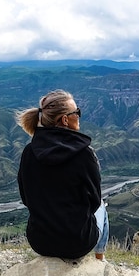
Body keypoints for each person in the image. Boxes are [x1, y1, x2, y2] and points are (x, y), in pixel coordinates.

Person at [16, 89, 109, 261]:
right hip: (78, 243)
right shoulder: (84, 154)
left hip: (40, 242)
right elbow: (94, 201)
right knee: (102, 205)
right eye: (77, 112)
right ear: (65, 119)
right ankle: (99, 259)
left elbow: (26, 198)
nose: (79, 115)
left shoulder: (29, 151)